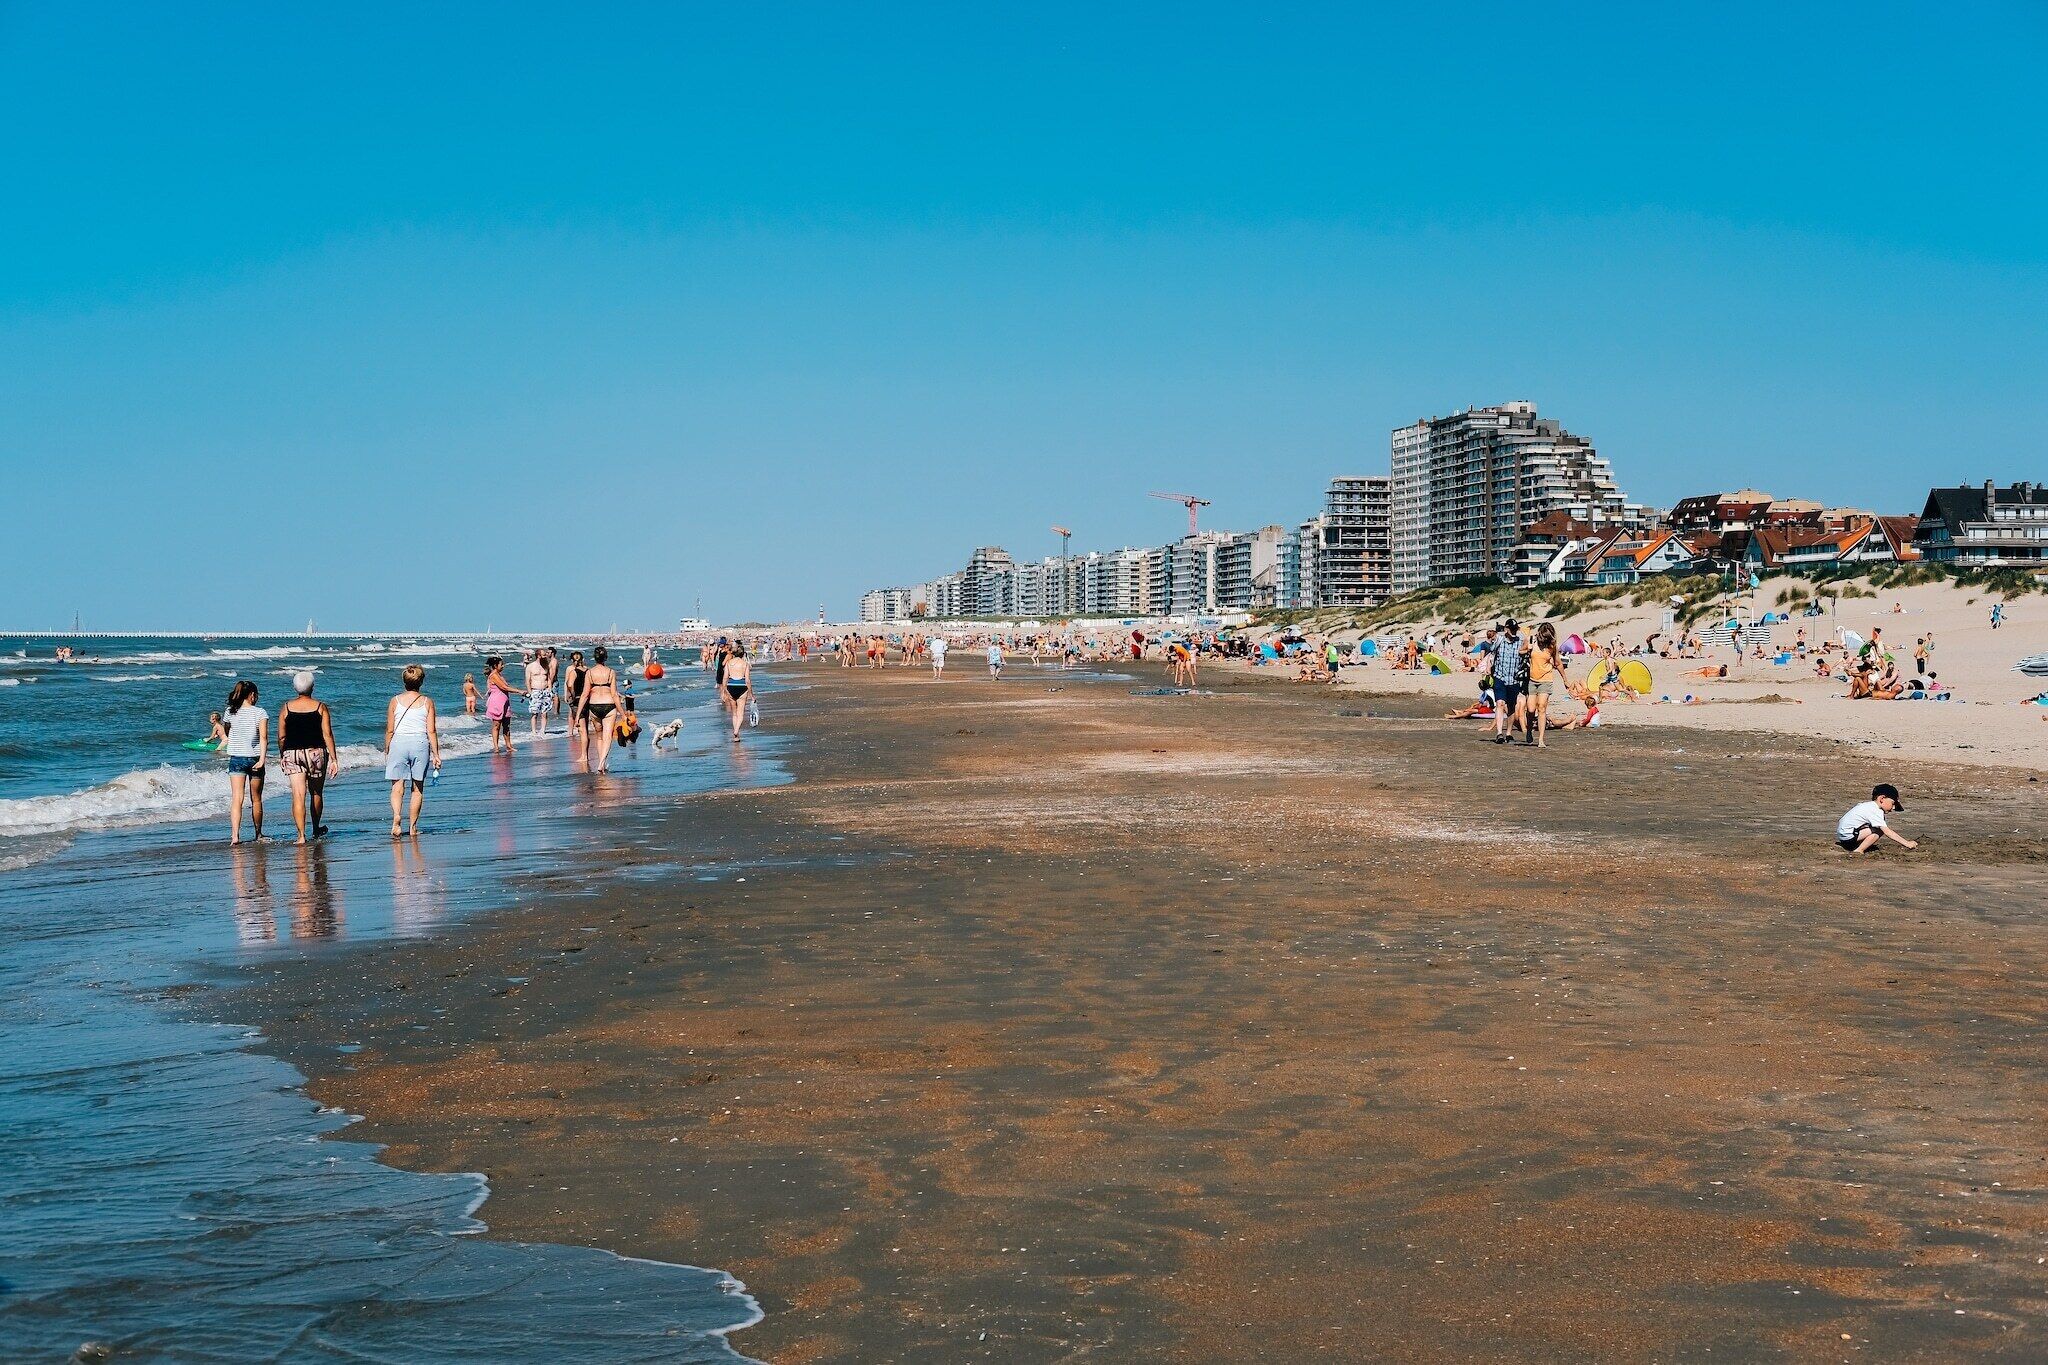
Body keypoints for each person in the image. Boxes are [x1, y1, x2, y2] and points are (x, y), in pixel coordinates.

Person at [277, 670, 337, 845]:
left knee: (298, 795)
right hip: (316, 753)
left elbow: (281, 736)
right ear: (313, 687)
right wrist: (333, 758)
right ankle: (316, 829)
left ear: (295, 688)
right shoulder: (320, 707)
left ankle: (301, 835)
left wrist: (283, 754)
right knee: (316, 792)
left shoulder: (286, 707)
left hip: (292, 753)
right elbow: (327, 734)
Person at [383, 663, 441, 838]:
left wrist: (387, 749)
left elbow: (389, 730)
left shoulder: (395, 701)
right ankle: (413, 827)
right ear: (421, 682)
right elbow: (431, 730)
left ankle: (396, 816)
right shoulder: (427, 702)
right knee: (417, 788)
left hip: (399, 743)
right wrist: (436, 754)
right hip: (420, 743)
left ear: (404, 682)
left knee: (396, 787)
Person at [222, 680, 268, 845]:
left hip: (237, 758)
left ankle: (235, 836)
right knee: (256, 798)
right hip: (255, 758)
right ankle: (258, 834)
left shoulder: (230, 711)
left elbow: (227, 729)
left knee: (237, 798)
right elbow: (263, 738)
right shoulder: (260, 712)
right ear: (252, 695)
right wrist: (262, 759)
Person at [578, 646, 625, 773]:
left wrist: (578, 716)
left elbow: (584, 695)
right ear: (606, 657)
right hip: (609, 705)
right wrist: (623, 714)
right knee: (607, 736)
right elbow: (615, 695)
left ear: (594, 658)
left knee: (599, 737)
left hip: (594, 706)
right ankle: (602, 762)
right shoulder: (610, 672)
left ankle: (601, 764)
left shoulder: (589, 672)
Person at [1835, 783, 1916, 854]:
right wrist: (1907, 843)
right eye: (1893, 803)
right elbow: (1888, 832)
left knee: (1874, 826)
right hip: (1848, 837)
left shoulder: (1868, 805)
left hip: (1843, 836)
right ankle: (1859, 850)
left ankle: (1857, 845)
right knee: (1880, 829)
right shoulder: (1876, 810)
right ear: (1881, 799)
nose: (1893, 808)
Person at [1526, 622, 1567, 747]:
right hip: (1532, 680)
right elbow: (1520, 652)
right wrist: (1526, 649)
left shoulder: (1552, 646)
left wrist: (1565, 680)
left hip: (1546, 679)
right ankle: (1529, 731)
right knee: (1531, 709)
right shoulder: (1532, 641)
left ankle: (1541, 740)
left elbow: (1558, 663)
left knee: (1542, 707)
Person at [1490, 620, 1527, 745]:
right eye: (1512, 629)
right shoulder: (1500, 641)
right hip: (1499, 677)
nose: (1514, 632)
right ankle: (1499, 733)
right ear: (1506, 629)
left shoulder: (1520, 642)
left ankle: (1509, 732)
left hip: (1514, 679)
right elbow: (1491, 649)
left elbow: (1526, 650)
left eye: (1515, 629)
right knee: (1500, 703)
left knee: (1511, 706)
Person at [482, 655, 524, 755]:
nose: (503, 666)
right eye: (501, 664)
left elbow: (505, 687)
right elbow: (504, 687)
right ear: (495, 665)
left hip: (505, 703)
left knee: (507, 725)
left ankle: (509, 746)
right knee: (496, 725)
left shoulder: (499, 675)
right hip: (497, 703)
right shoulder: (494, 675)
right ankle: (496, 747)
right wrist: (519, 691)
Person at [723, 642, 754, 741]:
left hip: (731, 686)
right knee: (741, 713)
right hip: (742, 686)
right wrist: (751, 694)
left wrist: (724, 690)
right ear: (743, 654)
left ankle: (736, 736)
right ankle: (736, 731)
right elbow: (747, 680)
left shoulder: (729, 663)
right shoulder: (745, 664)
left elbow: (725, 678)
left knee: (734, 713)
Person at [525, 650, 552, 738]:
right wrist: (530, 692)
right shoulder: (530, 666)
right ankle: (534, 731)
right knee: (534, 713)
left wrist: (549, 689)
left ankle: (543, 730)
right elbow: (528, 680)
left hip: (545, 691)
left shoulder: (546, 666)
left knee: (544, 712)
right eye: (544, 655)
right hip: (535, 691)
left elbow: (548, 678)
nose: (546, 657)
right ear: (538, 656)